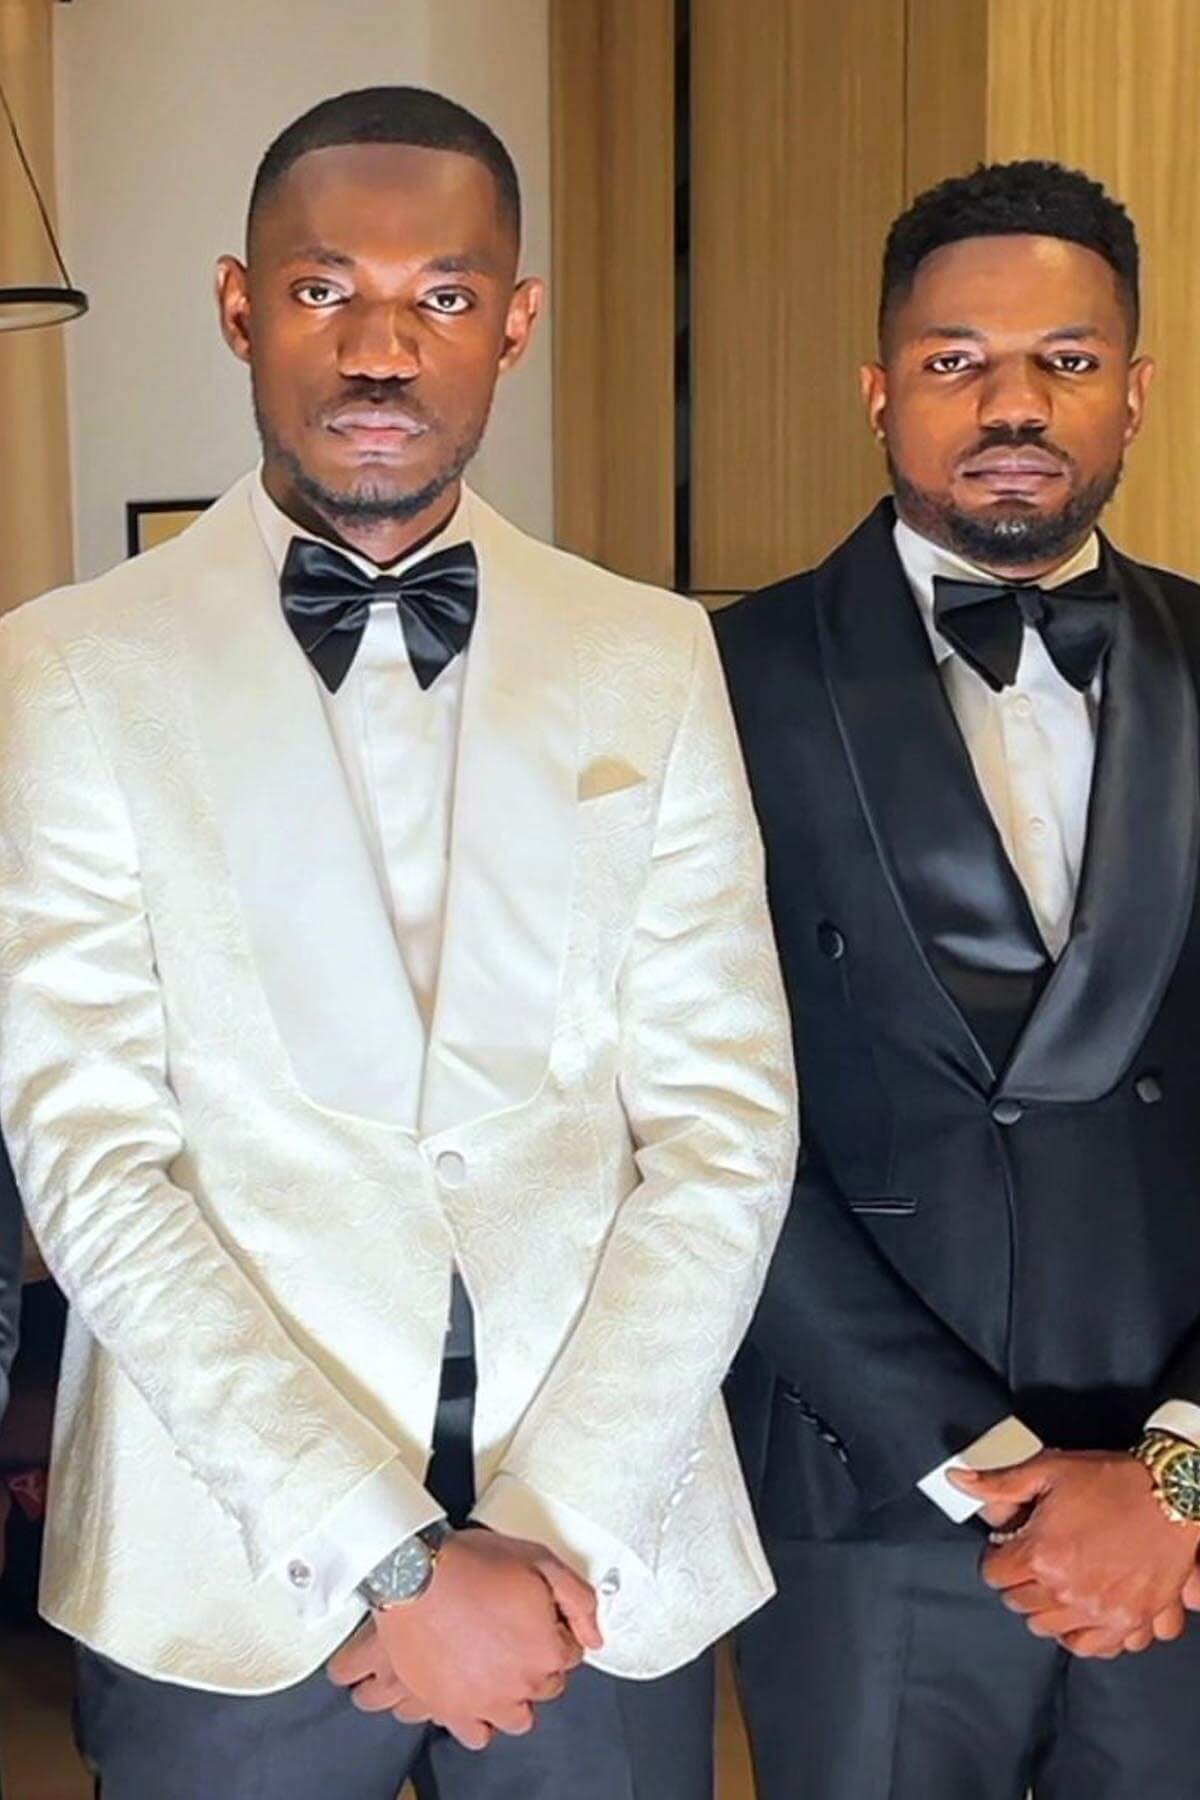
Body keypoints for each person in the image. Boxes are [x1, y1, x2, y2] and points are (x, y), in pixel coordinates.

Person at [0, 86, 796, 1800]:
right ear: (238, 308)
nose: (380, 349)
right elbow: (89, 1156)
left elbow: (726, 1133)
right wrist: (391, 1557)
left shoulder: (653, 655)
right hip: (230, 1552)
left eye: (442, 295)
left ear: (516, 321)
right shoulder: (68, 668)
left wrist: (552, 1528)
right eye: (323, 291)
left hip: (602, 1555)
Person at [717, 160, 1200, 1799]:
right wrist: (973, 1460)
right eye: (956, 360)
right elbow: (690, 1124)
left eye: (1066, 359)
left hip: (1180, 1511)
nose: (1013, 404)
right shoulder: (714, 682)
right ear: (880, 391)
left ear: (1134, 392)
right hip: (864, 1490)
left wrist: (1174, 1476)